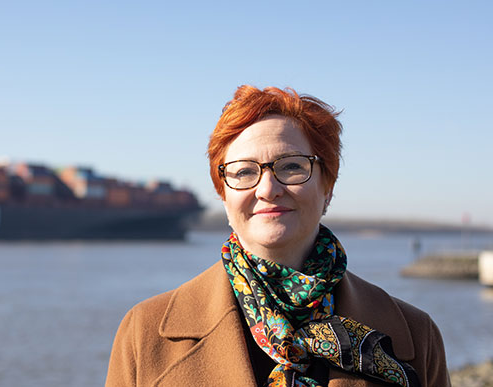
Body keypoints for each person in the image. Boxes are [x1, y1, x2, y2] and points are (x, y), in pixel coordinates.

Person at [106, 85, 450, 386]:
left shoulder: (415, 334)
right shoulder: (145, 332)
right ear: (223, 195)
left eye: (292, 166)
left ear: (327, 186)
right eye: (243, 172)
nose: (268, 188)